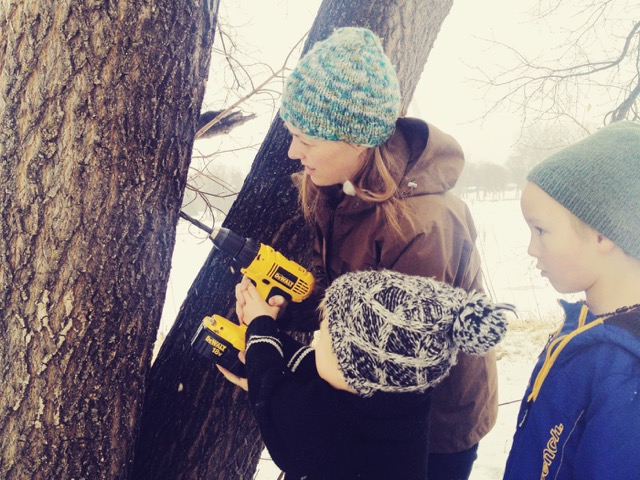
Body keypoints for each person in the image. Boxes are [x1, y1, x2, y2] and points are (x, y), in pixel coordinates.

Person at [240, 26, 496, 479]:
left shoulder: (423, 228)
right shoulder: (341, 190)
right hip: (372, 405)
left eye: (308, 140)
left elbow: (389, 375)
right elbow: (353, 302)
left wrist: (269, 370)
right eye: (291, 134)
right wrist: (297, 309)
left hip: (430, 434)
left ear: (356, 140)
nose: (292, 151)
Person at [221, 269, 510, 480]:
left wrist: (261, 330)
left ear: (353, 369)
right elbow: (324, 377)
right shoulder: (397, 396)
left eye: (324, 338)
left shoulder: (337, 426)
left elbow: (274, 404)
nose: (318, 342)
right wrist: (269, 345)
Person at [503, 121, 640, 479]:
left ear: (601, 234)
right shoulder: (586, 331)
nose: (532, 248)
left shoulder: (623, 369)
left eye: (541, 230)